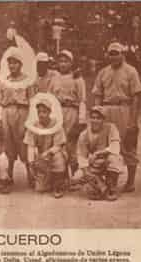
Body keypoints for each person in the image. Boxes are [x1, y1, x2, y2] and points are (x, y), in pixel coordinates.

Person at [92, 42, 141, 193]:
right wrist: (97, 112)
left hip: (124, 108)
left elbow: (136, 97)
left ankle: (131, 181)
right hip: (107, 109)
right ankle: (108, 181)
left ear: (123, 54)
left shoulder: (131, 71)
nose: (114, 56)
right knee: (105, 144)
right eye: (111, 53)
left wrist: (133, 120)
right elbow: (98, 95)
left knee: (128, 145)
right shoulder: (103, 72)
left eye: (117, 53)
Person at [0, 47, 35, 185]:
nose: (12, 65)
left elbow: (32, 101)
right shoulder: (4, 81)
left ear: (21, 64)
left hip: (22, 111)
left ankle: (30, 175)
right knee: (8, 142)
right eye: (10, 63)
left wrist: (30, 121)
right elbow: (0, 102)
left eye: (15, 63)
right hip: (7, 112)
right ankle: (9, 174)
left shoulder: (27, 80)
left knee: (23, 142)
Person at [24, 93, 66, 198]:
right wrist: (31, 163)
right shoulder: (34, 126)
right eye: (39, 112)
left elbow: (58, 145)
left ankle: (58, 184)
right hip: (42, 157)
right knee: (40, 189)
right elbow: (30, 145)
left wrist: (48, 153)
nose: (41, 114)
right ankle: (47, 179)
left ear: (49, 112)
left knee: (58, 158)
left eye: (44, 112)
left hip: (54, 153)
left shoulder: (56, 124)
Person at [76, 106, 122, 201]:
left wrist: (98, 153)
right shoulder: (84, 134)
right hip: (94, 163)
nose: (95, 120)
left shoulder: (111, 127)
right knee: (77, 178)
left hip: (106, 160)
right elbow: (81, 156)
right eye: (93, 117)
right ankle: (99, 184)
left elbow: (115, 147)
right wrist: (87, 174)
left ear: (103, 119)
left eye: (98, 118)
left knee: (115, 159)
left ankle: (111, 187)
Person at [53, 49, 87, 178]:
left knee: (72, 144)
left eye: (66, 61)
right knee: (59, 143)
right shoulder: (55, 77)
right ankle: (62, 176)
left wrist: (81, 119)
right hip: (58, 112)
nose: (63, 64)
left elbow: (82, 100)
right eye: (60, 61)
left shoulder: (77, 79)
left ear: (71, 63)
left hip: (72, 111)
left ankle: (75, 176)